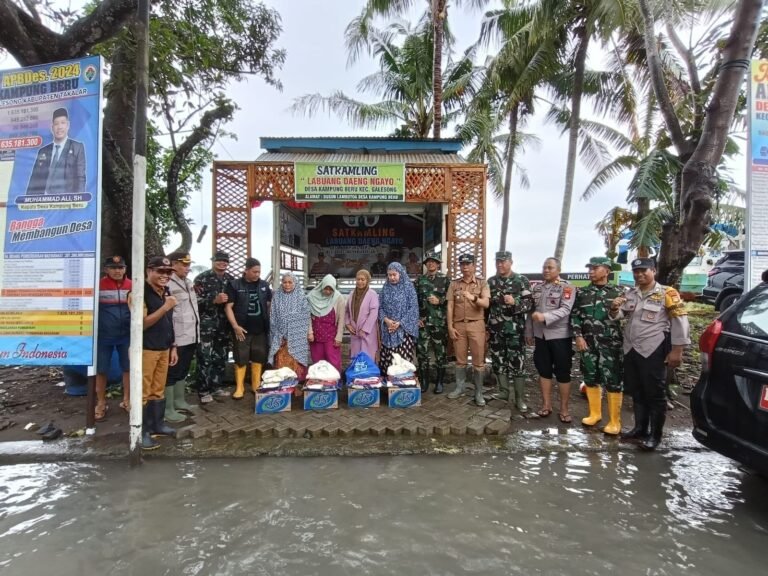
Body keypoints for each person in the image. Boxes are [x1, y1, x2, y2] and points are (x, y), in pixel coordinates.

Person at [609, 258, 690, 450]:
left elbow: (680, 321)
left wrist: (677, 350)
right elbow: (620, 316)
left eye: (643, 270)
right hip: (631, 349)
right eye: (636, 271)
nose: (639, 274)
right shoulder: (631, 293)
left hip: (653, 349)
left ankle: (655, 435)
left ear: (653, 271)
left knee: (655, 394)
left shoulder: (667, 293)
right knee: (637, 391)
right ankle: (640, 428)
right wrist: (614, 308)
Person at [571, 256, 625, 434]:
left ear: (607, 271)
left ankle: (615, 421)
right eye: (590, 268)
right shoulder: (583, 292)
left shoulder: (619, 291)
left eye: (595, 268)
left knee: (613, 380)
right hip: (588, 343)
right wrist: (578, 336)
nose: (591, 271)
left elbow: (626, 318)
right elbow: (575, 315)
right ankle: (595, 414)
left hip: (611, 344)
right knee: (590, 376)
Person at [525, 257, 575, 423]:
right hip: (541, 337)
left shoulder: (566, 287)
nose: (546, 270)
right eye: (544, 267)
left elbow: (565, 309)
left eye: (550, 268)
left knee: (562, 372)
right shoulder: (537, 288)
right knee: (543, 370)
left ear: (558, 270)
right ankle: (546, 405)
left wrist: (544, 316)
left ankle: (564, 408)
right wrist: (529, 332)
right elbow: (531, 312)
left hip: (560, 336)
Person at [487, 250, 533, 413]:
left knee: (517, 363)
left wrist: (515, 301)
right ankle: (504, 392)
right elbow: (487, 307)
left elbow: (529, 305)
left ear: (511, 262)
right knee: (498, 361)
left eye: (503, 261)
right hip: (496, 331)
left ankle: (519, 398)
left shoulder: (521, 281)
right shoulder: (491, 282)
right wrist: (486, 327)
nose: (500, 264)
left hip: (515, 331)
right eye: (498, 262)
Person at [140, 256, 178, 451]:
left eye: (168, 272)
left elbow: (168, 321)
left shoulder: (165, 292)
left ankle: (157, 425)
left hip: (164, 347)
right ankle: (141, 431)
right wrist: (165, 307)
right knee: (143, 392)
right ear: (149, 271)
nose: (165, 276)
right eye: (160, 272)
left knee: (158, 390)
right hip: (146, 348)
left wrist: (173, 346)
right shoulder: (140, 293)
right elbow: (142, 323)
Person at [225, 258, 272, 399]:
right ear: (246, 270)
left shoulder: (264, 285)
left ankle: (256, 384)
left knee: (259, 356)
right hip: (242, 329)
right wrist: (235, 326)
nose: (257, 274)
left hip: (261, 328)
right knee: (241, 357)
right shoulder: (234, 285)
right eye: (254, 271)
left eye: (259, 272)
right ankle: (239, 387)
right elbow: (228, 307)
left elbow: (269, 304)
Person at [447, 253, 490, 406]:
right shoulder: (454, 284)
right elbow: (450, 305)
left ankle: (478, 392)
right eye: (462, 264)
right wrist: (450, 326)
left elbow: (485, 304)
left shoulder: (482, 283)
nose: (465, 267)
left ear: (473, 265)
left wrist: (473, 298)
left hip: (476, 324)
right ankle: (460, 388)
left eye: (468, 264)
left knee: (478, 361)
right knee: (460, 359)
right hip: (459, 325)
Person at [163, 251, 200, 423]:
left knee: (183, 369)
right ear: (173, 264)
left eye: (188, 264)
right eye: (184, 264)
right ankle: (168, 408)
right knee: (172, 371)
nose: (187, 268)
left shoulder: (188, 282)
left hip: (191, 334)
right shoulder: (168, 284)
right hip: (177, 336)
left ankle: (179, 401)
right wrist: (172, 341)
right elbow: (167, 314)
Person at [193, 250, 234, 403]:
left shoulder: (231, 280)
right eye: (219, 260)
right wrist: (213, 300)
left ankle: (217, 387)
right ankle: (203, 391)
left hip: (223, 325)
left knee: (220, 357)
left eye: (225, 261)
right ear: (213, 261)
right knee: (204, 358)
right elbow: (194, 301)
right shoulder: (202, 278)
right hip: (206, 325)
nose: (222, 263)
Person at [94, 255, 131, 421]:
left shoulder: (133, 284)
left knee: (128, 368)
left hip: (127, 335)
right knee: (101, 370)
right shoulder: (98, 285)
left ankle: (127, 400)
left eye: (121, 268)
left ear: (125, 269)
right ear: (106, 269)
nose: (118, 271)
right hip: (104, 336)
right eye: (114, 268)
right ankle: (101, 403)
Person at [26, 107, 86, 196]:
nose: (60, 127)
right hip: (43, 202)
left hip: (65, 202)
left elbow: (80, 178)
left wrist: (78, 203)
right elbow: (34, 179)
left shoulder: (77, 147)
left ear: (68, 125)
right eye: (56, 123)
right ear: (52, 127)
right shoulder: (43, 151)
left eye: (63, 123)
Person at [415, 251, 449, 393]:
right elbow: (413, 302)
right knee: (422, 353)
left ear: (438, 264)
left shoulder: (446, 280)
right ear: (426, 264)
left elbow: (452, 301)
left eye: (433, 261)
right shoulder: (419, 281)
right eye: (428, 261)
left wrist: (440, 300)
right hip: (423, 324)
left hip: (439, 323)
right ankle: (424, 382)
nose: (431, 263)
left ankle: (439, 383)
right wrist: (416, 318)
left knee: (440, 353)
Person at [378, 262, 419, 376]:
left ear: (400, 273)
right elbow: (380, 307)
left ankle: (402, 387)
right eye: (389, 275)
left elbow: (413, 308)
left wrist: (400, 323)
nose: (392, 277)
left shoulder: (408, 288)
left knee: (403, 360)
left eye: (394, 275)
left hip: (403, 331)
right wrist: (386, 320)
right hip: (388, 331)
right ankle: (390, 388)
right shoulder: (385, 288)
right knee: (389, 360)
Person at [268, 272, 311, 380]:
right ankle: (283, 388)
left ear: (295, 283)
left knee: (294, 363)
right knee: (281, 364)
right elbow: (273, 316)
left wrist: (291, 321)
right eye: (284, 282)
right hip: (280, 337)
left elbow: (305, 316)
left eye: (290, 282)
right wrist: (278, 334)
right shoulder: (277, 296)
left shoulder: (301, 296)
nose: (287, 285)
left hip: (297, 337)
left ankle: (295, 386)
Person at [307, 274, 346, 373]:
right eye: (326, 289)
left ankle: (334, 384)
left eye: (331, 289)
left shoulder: (338, 298)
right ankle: (319, 383)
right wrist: (310, 332)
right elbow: (307, 316)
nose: (328, 292)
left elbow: (342, 319)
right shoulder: (311, 297)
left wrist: (339, 337)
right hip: (316, 336)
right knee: (318, 361)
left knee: (333, 361)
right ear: (322, 286)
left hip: (331, 336)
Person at [345, 269, 380, 360]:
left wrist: (364, 329)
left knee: (367, 357)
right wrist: (348, 324)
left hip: (368, 333)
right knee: (355, 357)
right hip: (354, 331)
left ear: (367, 281)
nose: (360, 282)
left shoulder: (372, 294)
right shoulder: (352, 294)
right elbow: (347, 311)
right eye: (358, 279)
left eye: (363, 279)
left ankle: (368, 374)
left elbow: (374, 313)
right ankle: (356, 374)